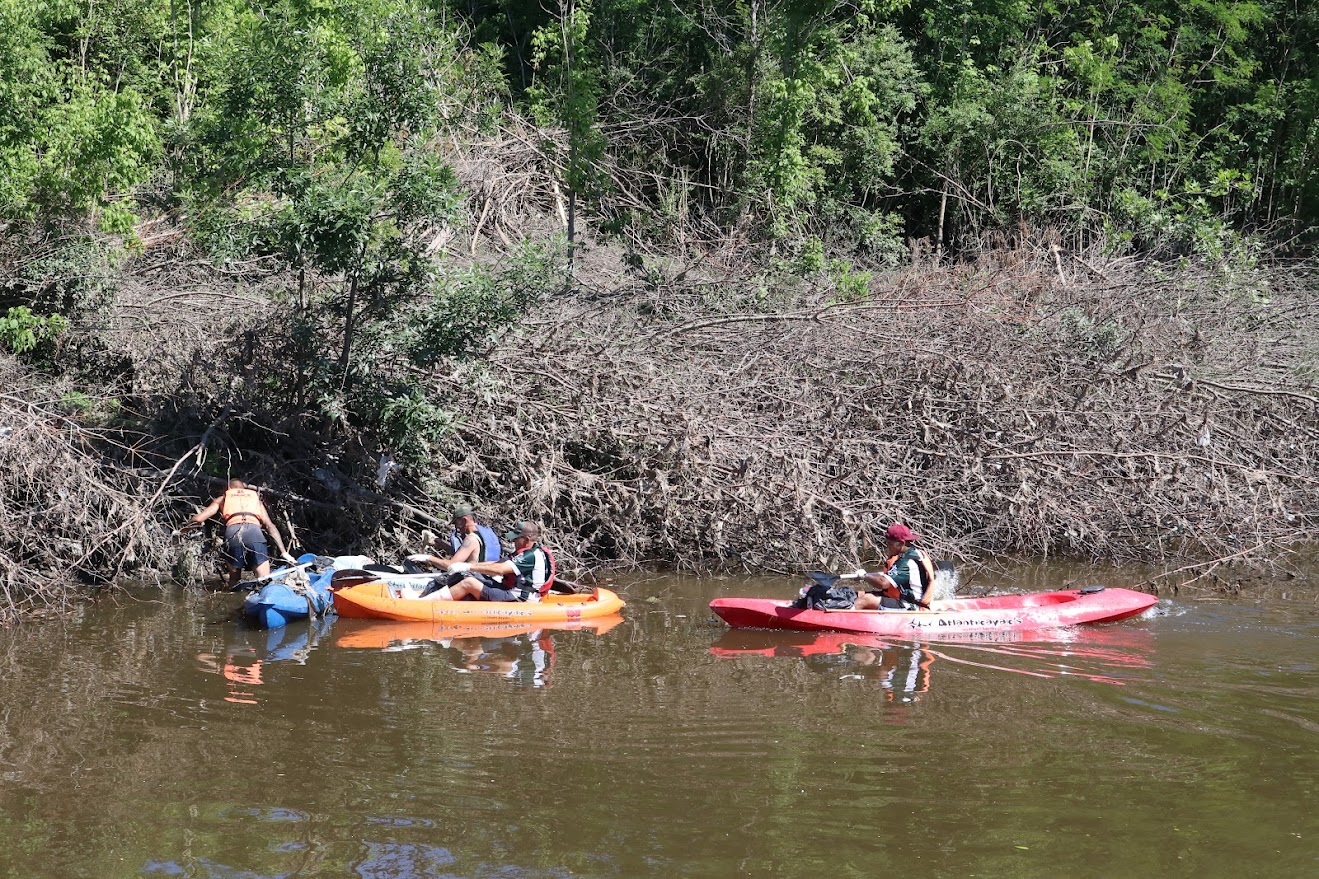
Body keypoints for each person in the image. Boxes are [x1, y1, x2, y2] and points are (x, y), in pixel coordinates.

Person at [183, 478, 294, 589]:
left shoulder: (223, 499)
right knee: (264, 580)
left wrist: (182, 531)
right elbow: (270, 526)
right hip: (255, 533)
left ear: (229, 488)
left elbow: (198, 520)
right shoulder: (256, 500)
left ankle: (232, 594)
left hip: (233, 534)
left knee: (234, 580)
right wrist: (284, 552)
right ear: (243, 488)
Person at [421, 520, 556, 602]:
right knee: (472, 576)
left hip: (520, 599)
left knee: (469, 583)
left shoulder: (530, 556)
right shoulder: (527, 552)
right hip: (512, 592)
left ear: (526, 540)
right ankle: (428, 596)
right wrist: (467, 566)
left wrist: (467, 568)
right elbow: (496, 564)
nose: (513, 541)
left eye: (516, 538)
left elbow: (500, 570)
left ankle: (425, 604)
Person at [853, 523, 938, 610]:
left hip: (911, 606)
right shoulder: (912, 553)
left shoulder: (907, 562)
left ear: (901, 543)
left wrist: (864, 576)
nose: (887, 546)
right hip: (904, 600)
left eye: (890, 543)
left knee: (866, 599)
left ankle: (842, 620)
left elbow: (883, 583)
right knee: (858, 594)